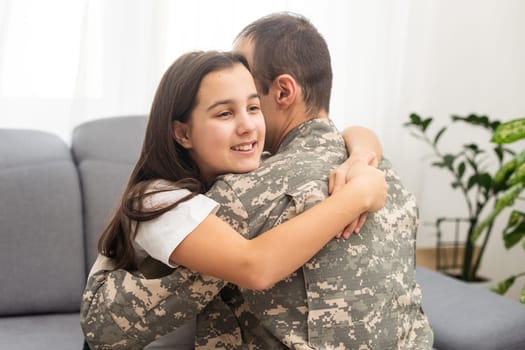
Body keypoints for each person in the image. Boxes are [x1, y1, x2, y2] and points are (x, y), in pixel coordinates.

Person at [80, 50, 387, 349]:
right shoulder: (155, 200)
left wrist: (360, 159)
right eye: (225, 113)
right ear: (183, 133)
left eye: (254, 108)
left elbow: (347, 133)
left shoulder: (252, 170)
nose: (247, 126)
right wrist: (357, 196)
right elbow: (255, 266)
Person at [193, 13, 433, 348]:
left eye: (246, 84)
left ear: (282, 92)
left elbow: (113, 325)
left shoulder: (246, 191)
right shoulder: (385, 175)